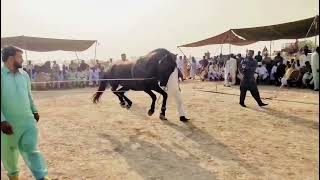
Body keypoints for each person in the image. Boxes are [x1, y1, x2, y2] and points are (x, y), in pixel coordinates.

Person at [1, 46, 50, 180]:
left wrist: (34, 110)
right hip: (9, 124)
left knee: (31, 148)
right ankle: (13, 176)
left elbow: (28, 95)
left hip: (28, 121)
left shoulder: (24, 75)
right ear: (11, 58)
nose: (22, 59)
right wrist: (2, 121)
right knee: (9, 153)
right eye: (20, 57)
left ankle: (41, 176)